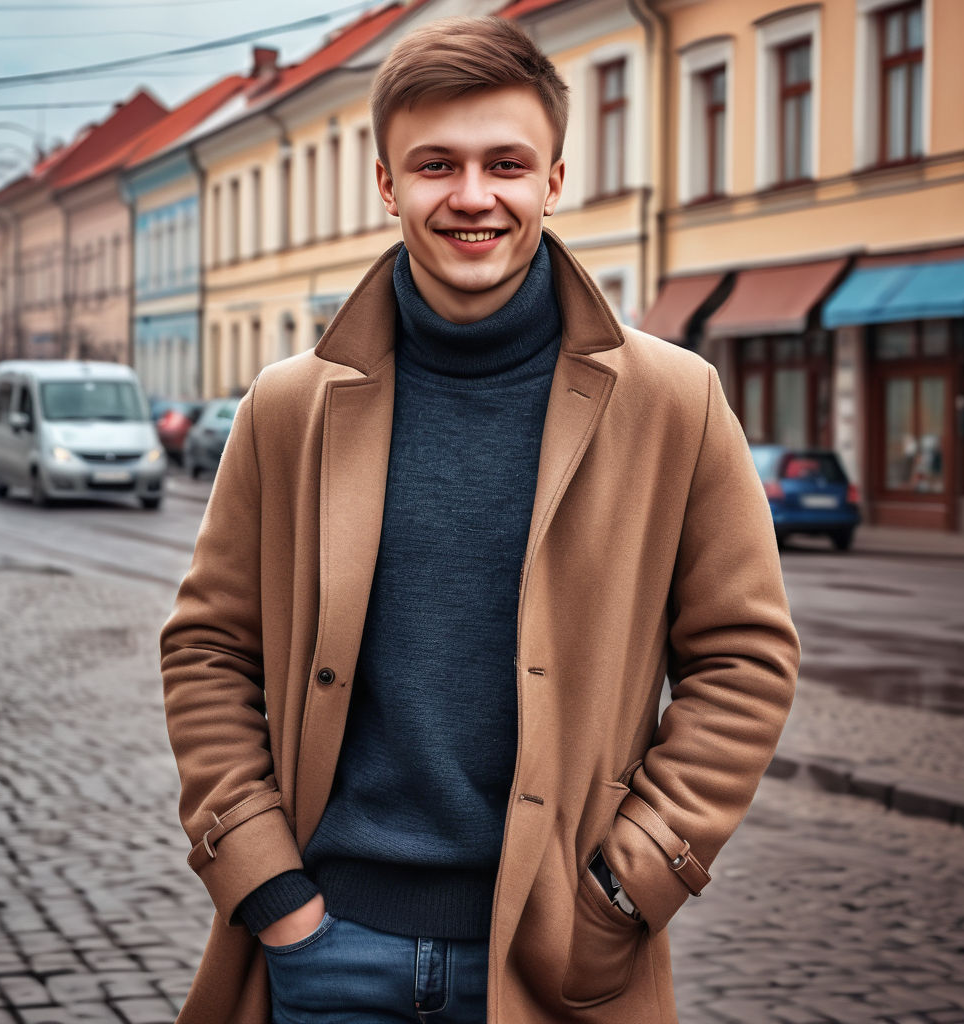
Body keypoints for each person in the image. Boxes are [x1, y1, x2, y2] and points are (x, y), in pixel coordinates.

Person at [160, 16, 800, 1024]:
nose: (471, 197)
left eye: (505, 163)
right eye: (434, 165)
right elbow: (207, 648)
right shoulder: (290, 407)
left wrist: (629, 884)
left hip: (562, 961)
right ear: (385, 184)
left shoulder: (674, 400)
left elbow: (744, 656)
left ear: (553, 178)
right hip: (326, 955)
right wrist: (272, 890)